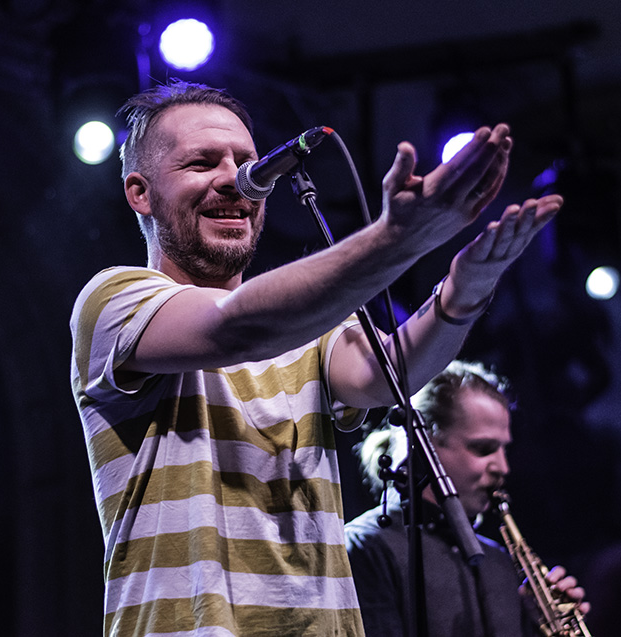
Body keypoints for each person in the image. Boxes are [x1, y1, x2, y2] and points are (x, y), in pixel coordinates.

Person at [69, 79, 562, 636]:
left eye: (246, 161)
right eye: (202, 163)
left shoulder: (310, 320)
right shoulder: (114, 301)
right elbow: (235, 329)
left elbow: (383, 377)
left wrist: (462, 293)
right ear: (141, 192)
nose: (234, 180)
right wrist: (395, 239)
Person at [345, 360, 590, 636]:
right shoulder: (365, 546)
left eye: (503, 449)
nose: (503, 467)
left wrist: (536, 627)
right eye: (484, 448)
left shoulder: (499, 563)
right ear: (425, 443)